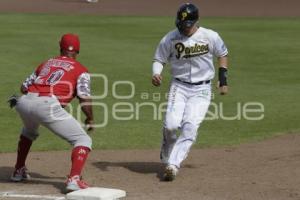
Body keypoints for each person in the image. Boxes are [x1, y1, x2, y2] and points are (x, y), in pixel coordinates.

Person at [152, 3, 229, 181]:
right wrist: (156, 73)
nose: (184, 29)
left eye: (187, 25)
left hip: (202, 89)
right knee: (171, 126)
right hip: (178, 87)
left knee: (190, 127)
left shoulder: (210, 36)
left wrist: (223, 78)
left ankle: (173, 165)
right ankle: (167, 149)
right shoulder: (170, 38)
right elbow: (159, 59)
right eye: (181, 24)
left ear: (196, 22)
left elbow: (223, 53)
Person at [10, 33, 94, 192]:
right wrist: (90, 118)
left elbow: (23, 87)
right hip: (47, 104)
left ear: (60, 47)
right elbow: (84, 98)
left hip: (24, 102)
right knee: (83, 139)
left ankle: (18, 170)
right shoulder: (81, 70)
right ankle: (74, 179)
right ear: (78, 50)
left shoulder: (46, 63)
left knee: (28, 130)